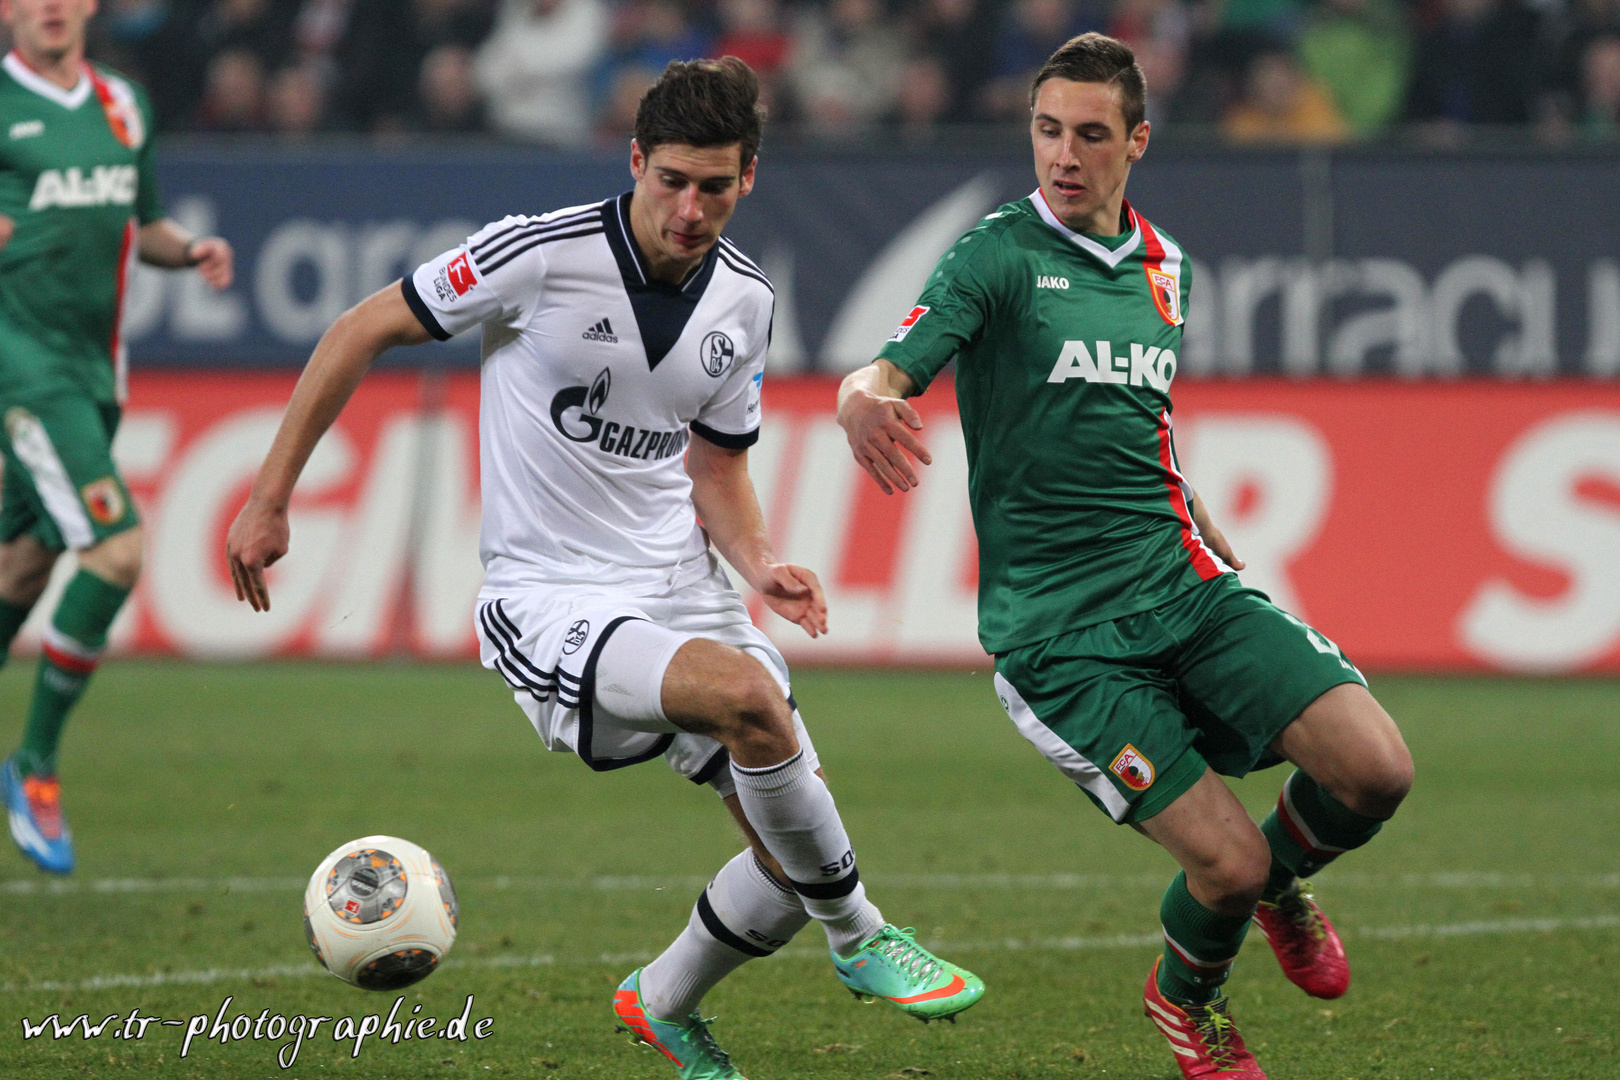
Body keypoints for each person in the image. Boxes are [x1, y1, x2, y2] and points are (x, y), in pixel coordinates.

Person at [225, 57, 983, 1079]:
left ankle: (663, 1001)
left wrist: (758, 561)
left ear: (748, 178)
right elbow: (361, 328)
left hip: (683, 587)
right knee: (756, 710)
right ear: (635, 161)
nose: (689, 206)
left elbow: (717, 463)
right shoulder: (541, 256)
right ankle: (863, 937)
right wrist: (272, 498)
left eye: (714, 186)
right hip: (550, 596)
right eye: (670, 179)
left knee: (783, 854)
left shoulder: (744, 302)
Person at [836, 33, 1412, 1080]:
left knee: (1376, 770)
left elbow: (1133, 409)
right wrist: (858, 397)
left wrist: (1192, 500)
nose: (1064, 153)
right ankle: (1188, 1000)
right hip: (1062, 637)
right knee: (1225, 867)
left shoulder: (1167, 269)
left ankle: (1285, 887)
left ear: (1136, 141)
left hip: (1183, 580)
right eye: (1047, 129)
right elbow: (895, 361)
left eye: (1090, 134)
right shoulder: (996, 255)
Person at [0, 0, 234, 876]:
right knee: (115, 550)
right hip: (22, 368)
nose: (51, 7)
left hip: (97, 375)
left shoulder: (123, 105)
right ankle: (35, 764)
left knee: (23, 563)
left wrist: (194, 249)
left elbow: (144, 227)